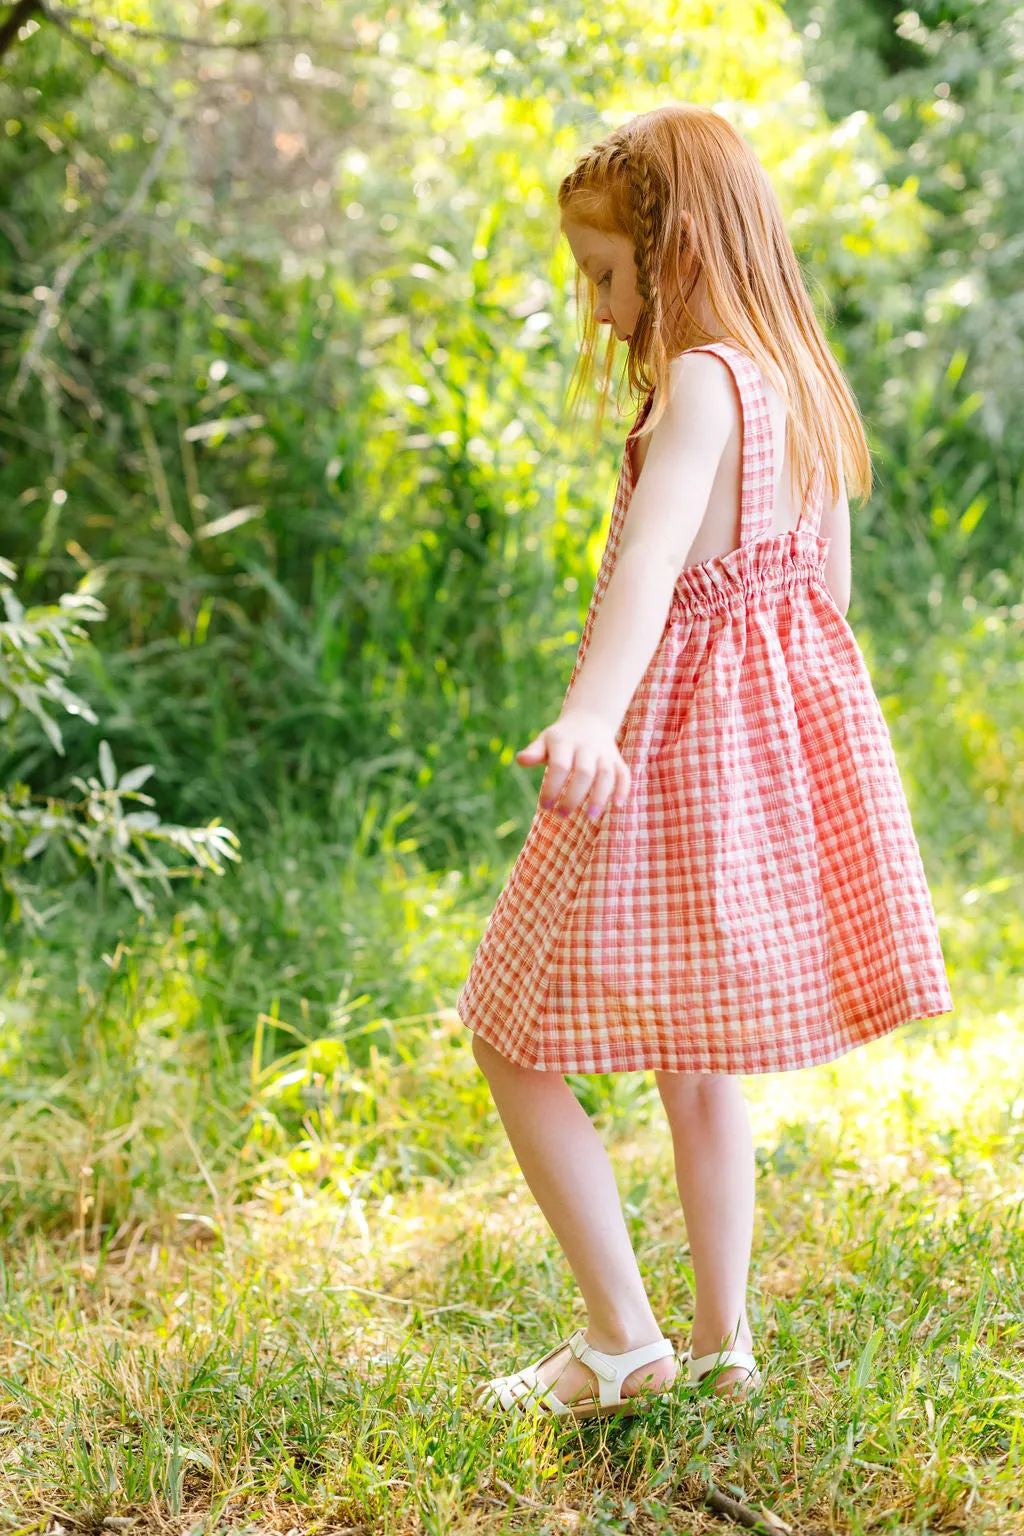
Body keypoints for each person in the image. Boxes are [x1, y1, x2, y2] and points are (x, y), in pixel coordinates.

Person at [455, 103, 953, 1420]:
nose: (604, 314)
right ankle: (726, 1347)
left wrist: (593, 721)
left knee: (505, 1026)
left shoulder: (703, 383)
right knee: (696, 1052)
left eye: (610, 278)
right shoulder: (797, 379)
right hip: (755, 763)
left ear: (677, 259)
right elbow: (824, 596)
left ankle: (623, 1340)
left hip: (661, 743)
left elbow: (653, 563)